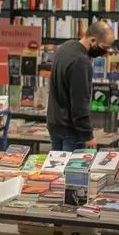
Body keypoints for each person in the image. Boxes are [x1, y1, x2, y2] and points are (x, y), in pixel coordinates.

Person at [48, 21, 113, 152]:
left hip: (55, 124)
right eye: (104, 47)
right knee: (74, 165)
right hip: (71, 130)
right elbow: (80, 102)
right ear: (93, 41)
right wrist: (87, 135)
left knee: (57, 164)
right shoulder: (81, 61)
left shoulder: (66, 46)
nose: (105, 53)